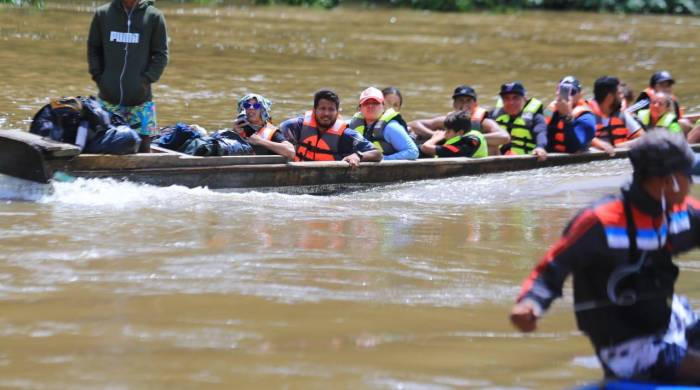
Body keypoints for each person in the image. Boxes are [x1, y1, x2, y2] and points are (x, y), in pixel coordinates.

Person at [510, 131, 700, 384]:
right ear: (667, 182)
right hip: (626, 344)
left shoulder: (681, 212)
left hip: (668, 318)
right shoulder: (601, 222)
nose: (692, 184)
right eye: (688, 177)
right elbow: (552, 269)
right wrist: (530, 304)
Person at [87, 0, 169, 153]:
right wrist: (98, 76)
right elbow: (94, 48)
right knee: (103, 148)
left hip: (141, 100)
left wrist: (147, 79)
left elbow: (161, 54)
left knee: (145, 148)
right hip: (107, 99)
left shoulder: (154, 17)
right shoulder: (103, 14)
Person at [280, 89, 382, 167]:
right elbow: (277, 134)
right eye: (322, 109)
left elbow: (377, 153)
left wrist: (358, 155)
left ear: (337, 112)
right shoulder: (295, 126)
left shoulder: (346, 135)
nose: (326, 113)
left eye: (331, 109)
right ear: (314, 110)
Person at [408, 85, 509, 155]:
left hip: (483, 161)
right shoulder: (449, 120)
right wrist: (435, 135)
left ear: (475, 104)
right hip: (453, 157)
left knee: (493, 147)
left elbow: (504, 137)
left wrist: (465, 139)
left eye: (468, 100)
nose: (464, 104)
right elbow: (413, 124)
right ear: (454, 104)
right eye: (460, 100)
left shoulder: (484, 122)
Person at [347, 87, 418, 160]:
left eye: (375, 103)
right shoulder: (352, 124)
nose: (370, 106)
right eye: (366, 103)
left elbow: (413, 152)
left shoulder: (391, 127)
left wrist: (384, 159)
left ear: (383, 106)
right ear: (360, 108)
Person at [490, 82, 548, 160]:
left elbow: (541, 133)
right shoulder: (494, 116)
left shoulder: (535, 117)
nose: (511, 102)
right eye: (506, 98)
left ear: (524, 99)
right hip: (499, 157)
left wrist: (540, 147)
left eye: (516, 98)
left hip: (526, 159)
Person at [589, 76, 644, 154]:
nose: (622, 96)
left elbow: (644, 138)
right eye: (619, 93)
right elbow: (579, 138)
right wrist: (598, 143)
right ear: (609, 97)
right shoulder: (587, 115)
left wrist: (618, 147)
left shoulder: (622, 116)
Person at [231, 93, 295, 159]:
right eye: (247, 105)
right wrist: (234, 134)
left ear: (262, 110)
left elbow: (291, 152)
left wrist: (259, 141)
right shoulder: (240, 127)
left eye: (256, 106)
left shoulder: (272, 132)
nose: (251, 108)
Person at [545, 76, 596, 154]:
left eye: (572, 91)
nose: (567, 94)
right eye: (561, 89)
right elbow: (539, 131)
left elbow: (574, 148)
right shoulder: (550, 110)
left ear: (580, 95)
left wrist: (566, 116)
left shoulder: (586, 117)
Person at [419, 110, 488, 158]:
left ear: (460, 132)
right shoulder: (469, 135)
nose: (444, 134)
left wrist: (435, 138)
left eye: (448, 131)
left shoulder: (468, 143)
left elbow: (425, 148)